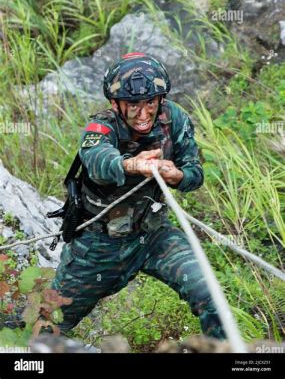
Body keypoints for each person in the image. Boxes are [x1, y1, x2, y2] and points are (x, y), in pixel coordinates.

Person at [51, 52, 226, 340]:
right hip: (99, 247)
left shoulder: (174, 118)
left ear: (160, 100)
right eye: (133, 104)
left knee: (211, 296)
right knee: (47, 326)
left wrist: (177, 176)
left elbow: (194, 172)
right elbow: (96, 159)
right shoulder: (101, 127)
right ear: (115, 104)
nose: (143, 114)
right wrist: (131, 164)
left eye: (150, 103)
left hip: (154, 237)